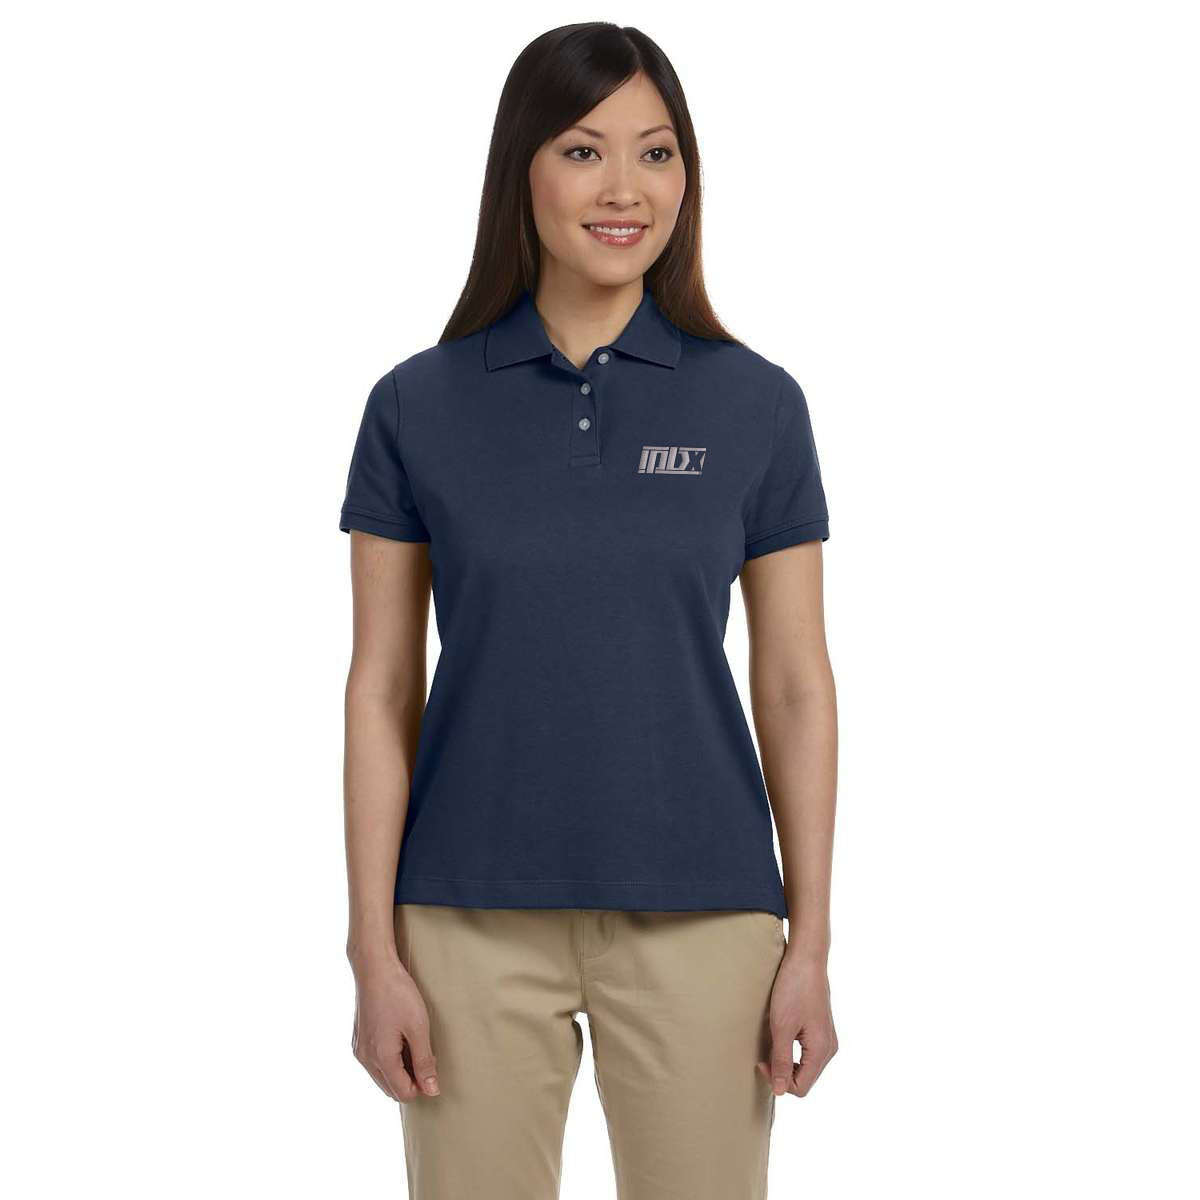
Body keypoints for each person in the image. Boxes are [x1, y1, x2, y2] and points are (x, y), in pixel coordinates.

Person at [339, 22, 838, 1200]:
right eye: (582, 150)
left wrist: (810, 944)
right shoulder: (415, 405)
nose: (626, 190)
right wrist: (372, 949)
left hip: (705, 915)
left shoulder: (758, 405)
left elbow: (794, 685)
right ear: (520, 169)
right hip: (463, 918)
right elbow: (381, 688)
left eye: (657, 154)